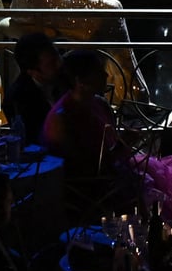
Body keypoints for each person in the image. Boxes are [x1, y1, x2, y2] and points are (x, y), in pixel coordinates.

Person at [43, 49, 120, 180]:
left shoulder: (101, 104)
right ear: (80, 81)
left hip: (108, 174)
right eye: (98, 72)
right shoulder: (62, 117)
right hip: (85, 186)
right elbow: (81, 166)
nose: (106, 75)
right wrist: (119, 150)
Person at [4, 32, 61, 145]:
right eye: (52, 64)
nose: (59, 64)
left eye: (58, 56)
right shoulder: (18, 99)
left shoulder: (68, 78)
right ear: (32, 72)